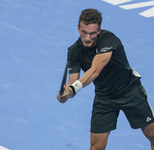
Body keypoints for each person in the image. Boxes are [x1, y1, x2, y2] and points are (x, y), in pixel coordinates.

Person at [57, 8, 154, 150]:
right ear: (78, 28)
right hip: (104, 98)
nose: (87, 38)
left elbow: (95, 70)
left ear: (99, 30)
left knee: (152, 135)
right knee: (96, 146)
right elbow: (73, 82)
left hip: (130, 91)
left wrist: (72, 89)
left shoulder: (109, 40)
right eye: (84, 32)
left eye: (92, 33)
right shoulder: (74, 51)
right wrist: (67, 94)